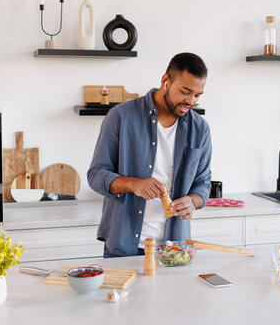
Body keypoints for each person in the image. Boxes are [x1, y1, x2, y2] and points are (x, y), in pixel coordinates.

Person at [87, 52, 212, 257]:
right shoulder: (121, 116)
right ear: (165, 81)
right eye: (185, 91)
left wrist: (193, 200)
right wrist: (134, 184)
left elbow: (203, 183)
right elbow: (96, 175)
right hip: (124, 246)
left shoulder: (200, 129)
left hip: (175, 250)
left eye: (197, 95)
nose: (191, 101)